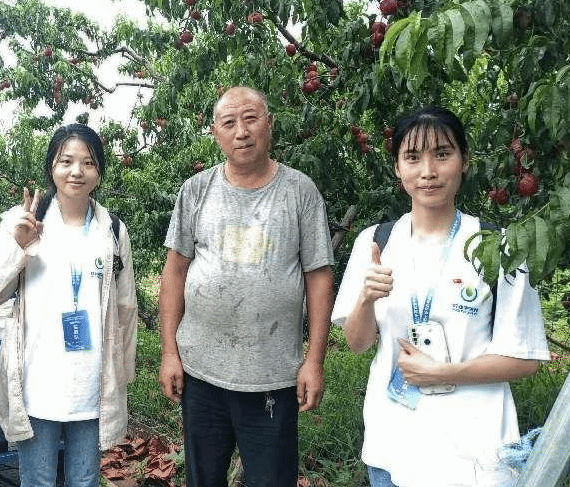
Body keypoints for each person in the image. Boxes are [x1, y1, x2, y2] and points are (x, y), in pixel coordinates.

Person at [332, 106, 550, 487]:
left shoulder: (499, 246)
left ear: (464, 161)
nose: (428, 171)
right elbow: (358, 343)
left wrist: (445, 374)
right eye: (413, 157)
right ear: (397, 168)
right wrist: (365, 299)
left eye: (442, 154)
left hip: (475, 457)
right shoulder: (376, 241)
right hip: (391, 448)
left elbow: (525, 359)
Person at [158, 86, 335, 487]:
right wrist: (169, 352)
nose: (241, 131)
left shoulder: (300, 191)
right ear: (215, 133)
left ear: (269, 124)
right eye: (229, 122)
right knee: (204, 479)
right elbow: (174, 272)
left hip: (273, 377)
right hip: (201, 373)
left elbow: (319, 276)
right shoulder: (196, 190)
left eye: (251, 118)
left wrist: (315, 360)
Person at [0, 123, 137, 487]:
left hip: (92, 383)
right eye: (66, 161)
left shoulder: (112, 230)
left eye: (88, 162)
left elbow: (126, 307)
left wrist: (122, 376)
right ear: (51, 167)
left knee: (85, 480)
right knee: (37, 480)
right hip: (38, 381)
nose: (76, 171)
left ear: (99, 172)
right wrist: (20, 247)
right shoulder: (22, 221)